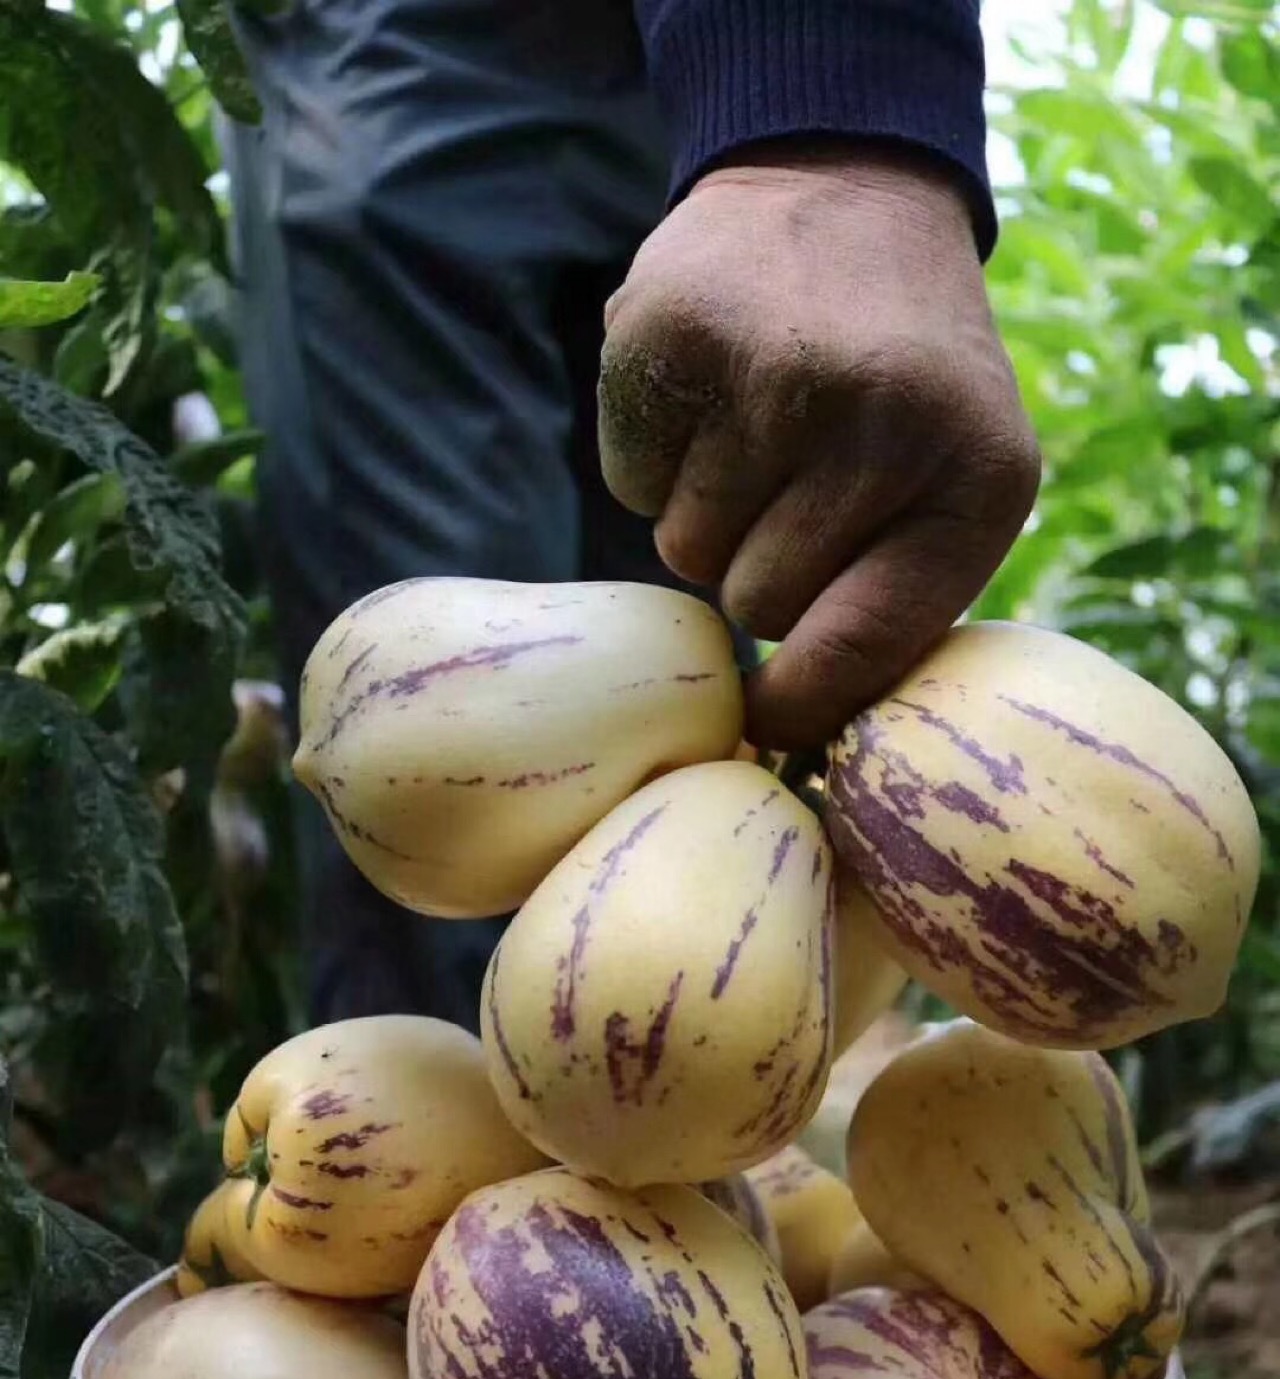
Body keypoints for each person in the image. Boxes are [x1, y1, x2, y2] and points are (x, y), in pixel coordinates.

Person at [225, 0, 1038, 1031]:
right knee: (435, 722)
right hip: (404, 58)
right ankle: (449, 1167)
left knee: (679, 698)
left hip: (678, 67)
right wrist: (827, 133)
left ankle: (643, 1152)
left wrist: (824, 135)